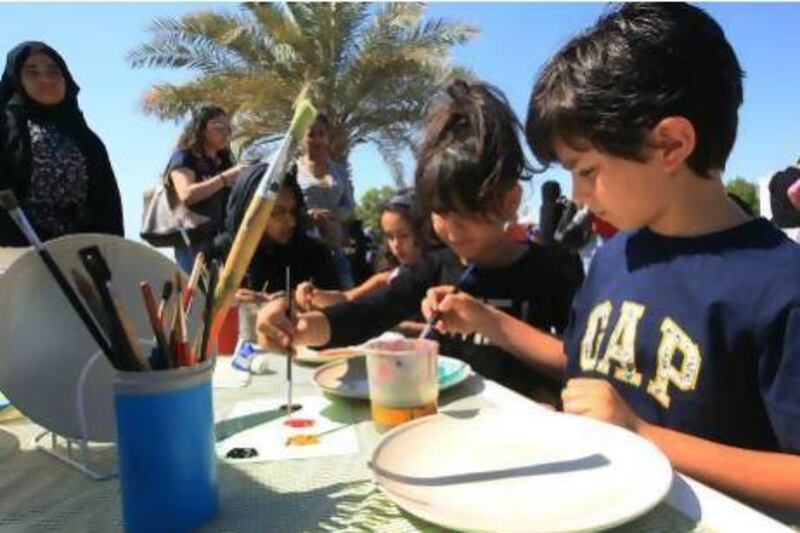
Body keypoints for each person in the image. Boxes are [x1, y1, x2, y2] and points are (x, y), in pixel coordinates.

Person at [422, 3, 800, 514]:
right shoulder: (616, 257)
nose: (577, 195)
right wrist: (487, 320)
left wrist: (643, 435)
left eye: (588, 169)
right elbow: (584, 370)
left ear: (671, 143)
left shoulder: (779, 288)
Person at [258, 79, 584, 401]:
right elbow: (365, 315)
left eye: (468, 213)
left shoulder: (553, 269)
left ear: (511, 201)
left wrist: (487, 321)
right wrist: (298, 326)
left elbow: (582, 366)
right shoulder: (433, 269)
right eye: (441, 213)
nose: (453, 231)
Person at [0, 41, 123, 246]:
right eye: (32, 72)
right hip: (14, 253)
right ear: (16, 80)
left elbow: (106, 206)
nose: (45, 78)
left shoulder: (86, 139)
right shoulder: (5, 128)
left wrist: (109, 252)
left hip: (78, 254)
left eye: (53, 71)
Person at [211, 162, 341, 302]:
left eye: (293, 211)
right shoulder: (221, 255)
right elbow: (197, 313)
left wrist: (298, 302)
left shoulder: (314, 256)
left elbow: (338, 311)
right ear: (250, 212)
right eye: (279, 213)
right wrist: (228, 303)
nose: (292, 222)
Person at [295, 189, 428, 315]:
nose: (396, 245)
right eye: (390, 237)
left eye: (404, 235)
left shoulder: (442, 271)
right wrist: (316, 295)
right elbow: (348, 298)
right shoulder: (388, 278)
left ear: (422, 231)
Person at [164, 105, 243, 272]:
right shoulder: (185, 157)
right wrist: (224, 179)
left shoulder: (224, 162)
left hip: (221, 241)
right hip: (192, 241)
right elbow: (186, 194)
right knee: (196, 292)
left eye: (228, 128)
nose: (226, 132)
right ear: (201, 128)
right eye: (219, 126)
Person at [296, 114, 356, 287]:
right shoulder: (294, 170)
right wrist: (308, 216)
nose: (316, 139)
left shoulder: (340, 172)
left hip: (335, 248)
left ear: (328, 138)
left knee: (345, 297)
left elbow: (350, 207)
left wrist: (336, 214)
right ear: (303, 139)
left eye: (321, 134)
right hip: (304, 250)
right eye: (311, 134)